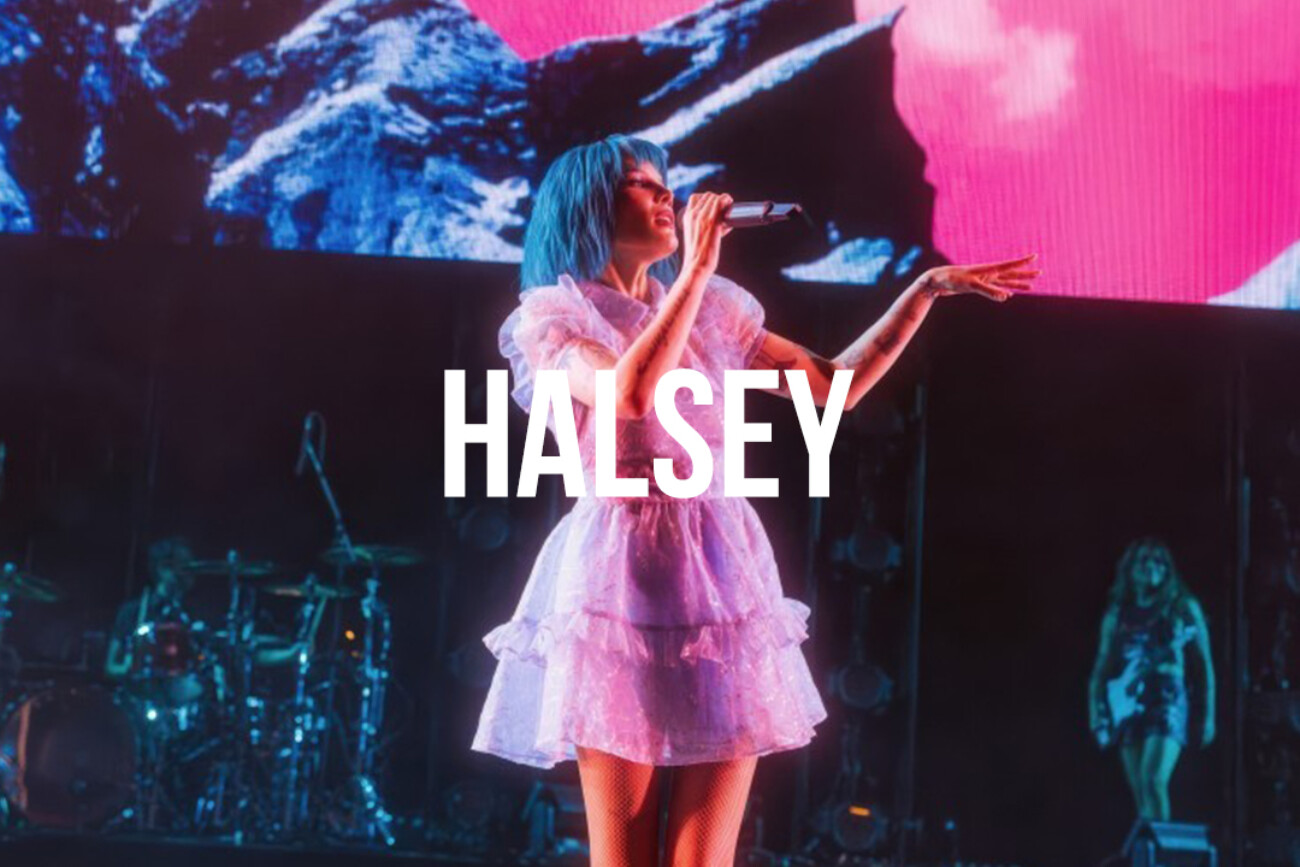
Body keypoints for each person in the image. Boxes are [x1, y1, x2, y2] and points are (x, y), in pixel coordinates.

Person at [472, 134, 1038, 866]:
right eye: (642, 183)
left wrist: (923, 291)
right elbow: (630, 394)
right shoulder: (558, 319)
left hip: (721, 577)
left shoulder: (712, 310)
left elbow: (835, 387)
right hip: (616, 579)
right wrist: (696, 269)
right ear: (588, 205)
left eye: (665, 181)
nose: (667, 195)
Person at [1088, 538, 1216, 821]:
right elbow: (1102, 667)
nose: (1152, 566)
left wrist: (1208, 716)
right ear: (1130, 569)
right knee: (1139, 790)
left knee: (1153, 780)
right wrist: (1095, 712)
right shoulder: (1117, 614)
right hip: (1130, 701)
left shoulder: (1182, 607)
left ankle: (1163, 848)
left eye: (1160, 561)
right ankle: (1148, 845)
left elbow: (1204, 665)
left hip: (1167, 697)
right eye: (1145, 560)